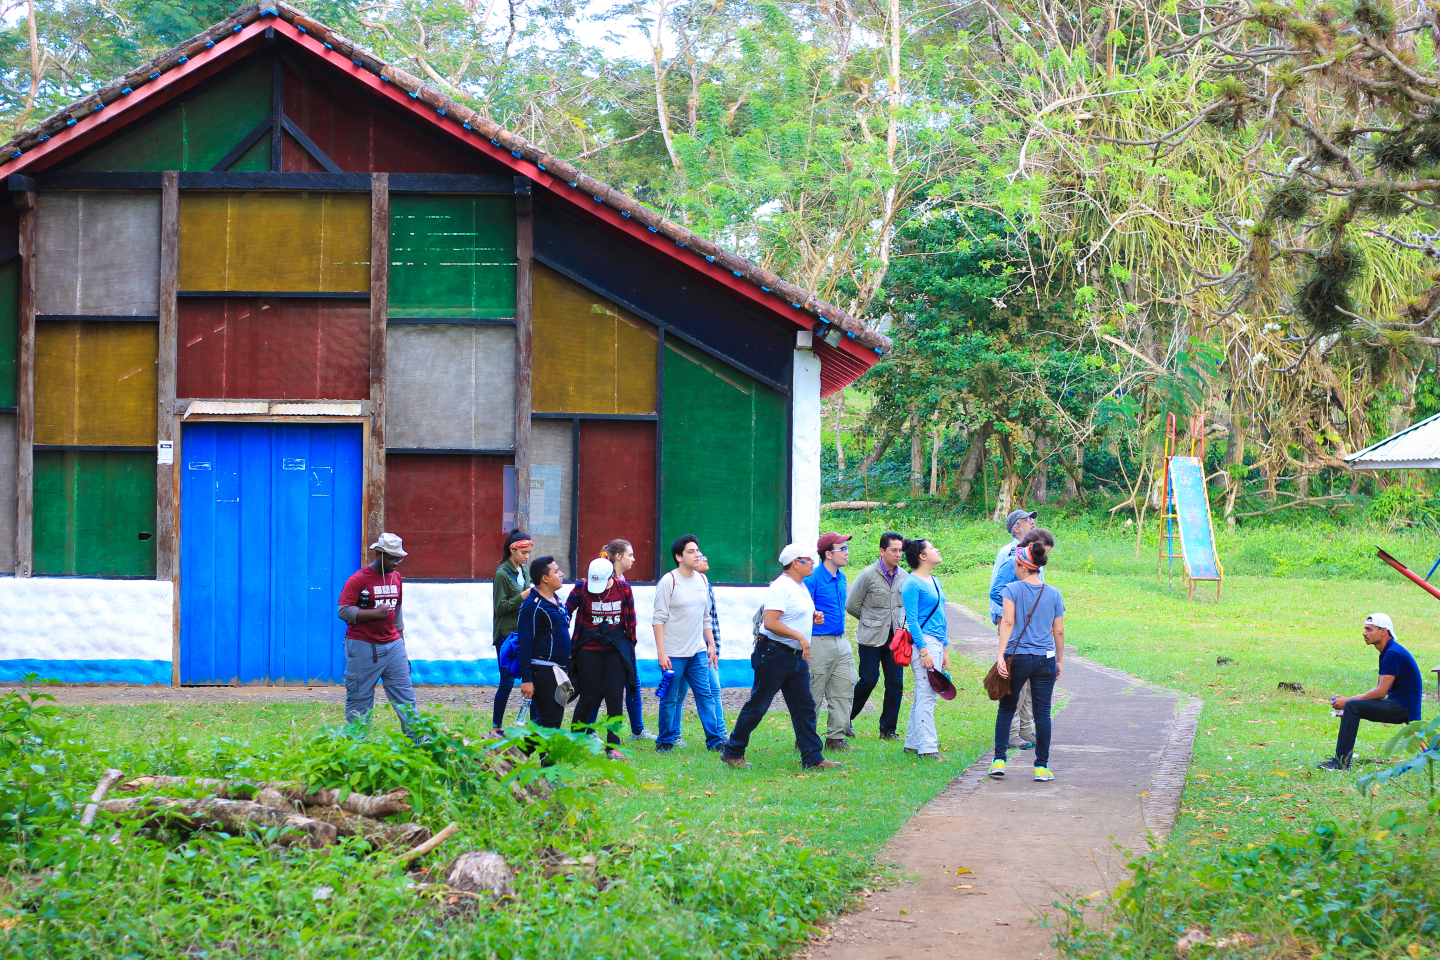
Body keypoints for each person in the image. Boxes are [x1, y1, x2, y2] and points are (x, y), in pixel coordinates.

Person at [721, 544, 842, 772]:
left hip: (795, 658)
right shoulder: (781, 587)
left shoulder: (800, 586)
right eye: (809, 560)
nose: (813, 564)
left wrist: (813, 617)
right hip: (774, 654)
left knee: (805, 707)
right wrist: (801, 636)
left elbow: (793, 615)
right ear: (796, 562)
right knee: (758, 705)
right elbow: (771, 622)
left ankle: (812, 757)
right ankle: (732, 751)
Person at [990, 541, 1065, 782]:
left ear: (1023, 566)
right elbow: (1059, 632)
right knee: (1042, 713)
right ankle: (1042, 767)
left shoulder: (1011, 589)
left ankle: (999, 761)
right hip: (1045, 660)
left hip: (1018, 657)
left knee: (1006, 708)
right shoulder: (1053, 593)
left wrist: (1001, 655)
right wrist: (1060, 661)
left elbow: (1008, 623)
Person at [1318, 612, 1424, 771]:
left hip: (1404, 709)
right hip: (1398, 704)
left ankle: (1341, 763)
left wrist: (1348, 702)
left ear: (1383, 631)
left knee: (1352, 706)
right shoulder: (1387, 652)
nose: (1364, 633)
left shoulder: (1393, 653)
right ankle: (1342, 758)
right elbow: (1378, 689)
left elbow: (1381, 692)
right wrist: (1349, 701)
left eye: (1369, 629)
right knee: (1352, 706)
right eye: (1365, 629)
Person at [336, 533, 418, 737]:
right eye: (392, 558)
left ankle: (419, 741)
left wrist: (402, 647)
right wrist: (375, 613)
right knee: (359, 699)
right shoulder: (359, 579)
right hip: (363, 646)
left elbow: (397, 614)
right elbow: (343, 611)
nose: (397, 563)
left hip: (393, 645)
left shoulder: (396, 577)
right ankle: (358, 747)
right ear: (379, 554)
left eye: (399, 558)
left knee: (406, 698)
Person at [652, 535, 726, 752]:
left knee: (706, 695)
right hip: (673, 653)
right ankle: (665, 741)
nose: (697, 555)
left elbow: (706, 617)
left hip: (698, 652)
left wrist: (711, 644)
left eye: (697, 550)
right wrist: (661, 653)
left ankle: (714, 741)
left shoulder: (702, 580)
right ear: (679, 556)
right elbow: (658, 620)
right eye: (691, 551)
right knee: (670, 698)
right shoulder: (669, 581)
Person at [567, 557, 636, 761]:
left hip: (615, 649)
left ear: (611, 576)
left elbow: (631, 620)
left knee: (615, 697)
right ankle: (575, 741)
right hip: (588, 648)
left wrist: (629, 646)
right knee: (589, 695)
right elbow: (565, 613)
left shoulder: (623, 589)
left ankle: (613, 747)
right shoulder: (581, 589)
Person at [847, 531, 908, 740]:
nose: (898, 555)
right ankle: (844, 721)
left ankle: (888, 730)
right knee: (868, 680)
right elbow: (852, 605)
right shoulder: (867, 575)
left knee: (895, 683)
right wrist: (870, 621)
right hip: (871, 638)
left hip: (896, 639)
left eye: (900, 550)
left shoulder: (904, 576)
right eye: (894, 550)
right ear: (882, 551)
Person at [668, 553, 731, 742]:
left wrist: (714, 647)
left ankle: (720, 733)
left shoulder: (705, 584)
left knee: (712, 690)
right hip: (680, 651)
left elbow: (710, 620)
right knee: (678, 694)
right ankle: (674, 736)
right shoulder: (674, 584)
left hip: (702, 650)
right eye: (697, 555)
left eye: (702, 554)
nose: (703, 558)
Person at [991, 509, 1040, 751]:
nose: (1032, 523)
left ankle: (1024, 730)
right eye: (1026, 520)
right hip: (1014, 627)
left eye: (1033, 519)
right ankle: (1010, 732)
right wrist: (1004, 619)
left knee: (1030, 680)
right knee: (1015, 677)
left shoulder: (1034, 551)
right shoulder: (1010, 554)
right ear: (1015, 529)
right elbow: (996, 590)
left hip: (1032, 628)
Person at [805, 532, 855, 751]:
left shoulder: (841, 577)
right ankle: (805, 739)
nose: (846, 553)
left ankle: (836, 739)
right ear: (828, 554)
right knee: (813, 692)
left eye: (846, 548)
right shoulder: (812, 579)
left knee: (844, 689)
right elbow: (800, 613)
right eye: (841, 549)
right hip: (818, 642)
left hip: (840, 641)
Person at [901, 538, 949, 760]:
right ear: (922, 556)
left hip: (937, 642)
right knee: (928, 694)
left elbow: (941, 615)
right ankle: (928, 749)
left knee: (924, 694)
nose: (936, 550)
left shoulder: (935, 580)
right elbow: (912, 621)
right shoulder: (912, 583)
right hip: (924, 642)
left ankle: (912, 743)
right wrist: (923, 651)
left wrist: (945, 647)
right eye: (932, 548)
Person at [516, 556, 572, 738]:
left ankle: (544, 763)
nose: (561, 574)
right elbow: (525, 643)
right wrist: (527, 679)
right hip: (542, 669)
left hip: (559, 669)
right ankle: (514, 754)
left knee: (553, 720)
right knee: (549, 719)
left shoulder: (557, 600)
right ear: (545, 578)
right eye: (556, 571)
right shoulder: (532, 605)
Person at [490, 530, 533, 737]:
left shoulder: (524, 570)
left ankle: (532, 725)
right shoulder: (501, 574)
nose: (526, 557)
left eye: (528, 553)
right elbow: (500, 607)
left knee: (531, 679)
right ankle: (496, 727)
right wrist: (523, 596)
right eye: (523, 552)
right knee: (506, 681)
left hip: (523, 633)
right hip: (506, 636)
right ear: (512, 549)